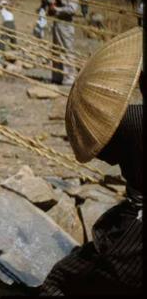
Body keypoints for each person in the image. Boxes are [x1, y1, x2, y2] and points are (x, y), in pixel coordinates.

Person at [40, 27, 143, 296]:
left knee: (59, 280)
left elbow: (96, 144)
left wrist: (98, 99)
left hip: (135, 238)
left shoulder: (131, 123)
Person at [49, 0, 79, 85]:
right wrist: (52, 6)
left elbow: (72, 9)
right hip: (57, 24)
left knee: (67, 51)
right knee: (56, 50)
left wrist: (57, 9)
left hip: (66, 26)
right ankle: (57, 76)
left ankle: (70, 77)